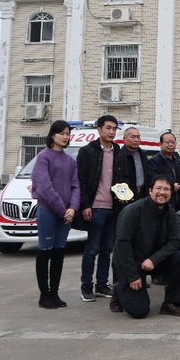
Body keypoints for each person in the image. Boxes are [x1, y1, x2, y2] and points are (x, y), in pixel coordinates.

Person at [111, 175, 180, 318]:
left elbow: (174, 242)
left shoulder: (170, 212)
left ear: (171, 193)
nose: (162, 192)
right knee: (139, 311)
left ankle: (170, 303)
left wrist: (154, 259)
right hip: (131, 262)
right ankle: (119, 288)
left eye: (166, 189)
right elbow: (122, 244)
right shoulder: (133, 211)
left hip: (153, 261)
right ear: (150, 191)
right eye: (158, 188)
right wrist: (132, 276)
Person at [31, 120, 80, 309]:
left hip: (66, 215)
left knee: (59, 252)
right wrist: (62, 210)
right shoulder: (43, 157)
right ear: (52, 135)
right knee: (45, 251)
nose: (65, 137)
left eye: (68, 133)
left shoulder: (70, 160)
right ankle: (44, 295)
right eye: (62, 133)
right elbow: (44, 187)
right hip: (48, 212)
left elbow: (76, 186)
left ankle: (55, 293)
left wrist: (73, 208)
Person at [78, 114, 120, 302]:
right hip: (96, 207)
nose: (111, 132)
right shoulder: (88, 151)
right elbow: (82, 180)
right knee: (92, 249)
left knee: (107, 249)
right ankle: (86, 286)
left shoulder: (118, 150)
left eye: (114, 128)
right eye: (108, 128)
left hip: (114, 207)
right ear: (99, 129)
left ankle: (101, 285)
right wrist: (85, 205)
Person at [147, 131, 180, 209]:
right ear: (160, 144)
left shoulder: (176, 160)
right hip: (162, 202)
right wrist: (172, 187)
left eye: (173, 142)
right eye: (167, 142)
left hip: (178, 203)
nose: (170, 145)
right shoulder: (154, 161)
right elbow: (153, 181)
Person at [116, 126, 150, 204]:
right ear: (124, 139)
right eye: (133, 137)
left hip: (143, 195)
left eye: (138, 137)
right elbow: (118, 179)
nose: (136, 140)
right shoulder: (119, 156)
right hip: (126, 197)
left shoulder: (143, 155)